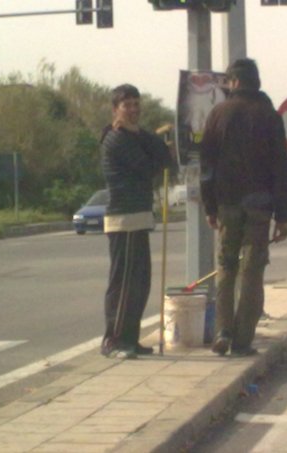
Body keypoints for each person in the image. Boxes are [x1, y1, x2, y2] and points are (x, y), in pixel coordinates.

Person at [200, 58, 287, 357]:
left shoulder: (218, 114)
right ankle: (242, 340)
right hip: (260, 206)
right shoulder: (269, 116)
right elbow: (281, 169)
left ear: (234, 82)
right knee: (252, 270)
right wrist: (283, 216)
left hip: (227, 204)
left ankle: (223, 330)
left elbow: (207, 167)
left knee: (226, 266)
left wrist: (210, 206)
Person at [100, 84, 172, 359]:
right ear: (115, 110)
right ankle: (113, 340)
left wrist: (141, 134)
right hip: (123, 217)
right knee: (124, 282)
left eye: (135, 104)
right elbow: (147, 167)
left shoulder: (135, 136)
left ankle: (130, 337)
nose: (133, 110)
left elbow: (164, 160)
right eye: (126, 105)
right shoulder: (115, 139)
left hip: (139, 216)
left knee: (141, 282)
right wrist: (144, 140)